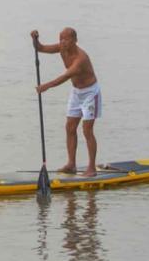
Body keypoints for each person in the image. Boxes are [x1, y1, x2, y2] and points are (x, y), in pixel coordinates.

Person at [31, 28, 102, 177]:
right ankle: (71, 164)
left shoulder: (81, 59)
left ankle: (91, 167)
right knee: (70, 128)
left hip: (90, 93)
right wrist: (35, 39)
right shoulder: (61, 48)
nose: (62, 42)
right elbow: (40, 48)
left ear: (75, 40)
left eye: (66, 39)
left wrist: (46, 86)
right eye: (60, 39)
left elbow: (65, 77)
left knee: (87, 130)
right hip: (76, 92)